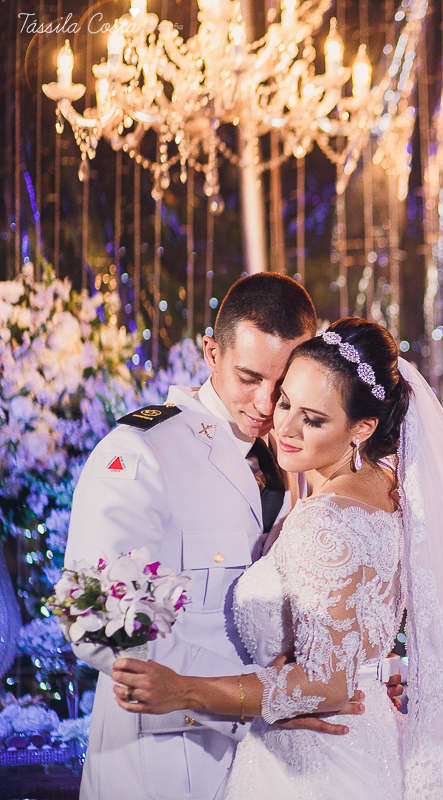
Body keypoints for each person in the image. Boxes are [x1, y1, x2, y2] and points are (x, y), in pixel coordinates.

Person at [112, 318, 443, 799]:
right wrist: (377, 666)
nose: (285, 427)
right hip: (368, 736)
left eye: (313, 419)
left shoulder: (326, 520)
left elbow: (327, 684)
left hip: (314, 766)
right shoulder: (394, 490)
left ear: (362, 427)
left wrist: (183, 690)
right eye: (285, 402)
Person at [64, 274, 362, 800]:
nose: (267, 404)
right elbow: (97, 620)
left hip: (271, 761)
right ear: (211, 352)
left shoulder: (296, 450)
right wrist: (254, 696)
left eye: (283, 384)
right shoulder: (142, 451)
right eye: (249, 377)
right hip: (166, 759)